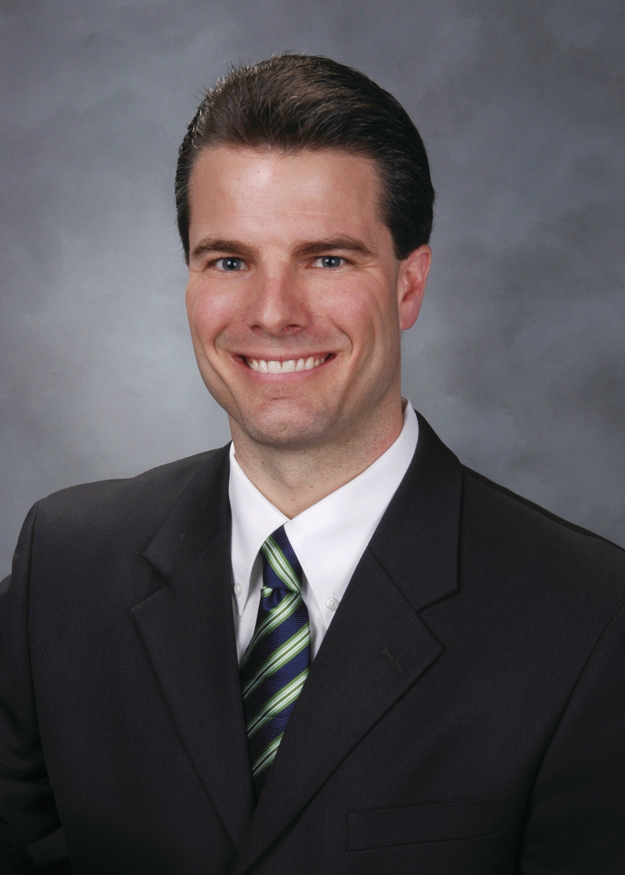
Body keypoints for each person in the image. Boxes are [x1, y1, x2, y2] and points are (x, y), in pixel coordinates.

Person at [1, 54, 624, 875]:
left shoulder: (588, 618)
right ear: (188, 280)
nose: (272, 313)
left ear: (407, 285)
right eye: (229, 260)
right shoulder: (64, 565)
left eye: (327, 259)